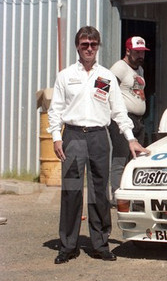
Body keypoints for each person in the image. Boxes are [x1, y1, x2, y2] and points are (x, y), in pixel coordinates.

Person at [47, 26, 150, 264]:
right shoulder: (65, 76)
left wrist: (130, 138)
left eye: (93, 44)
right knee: (71, 191)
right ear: (77, 47)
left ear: (98, 46)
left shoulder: (106, 76)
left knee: (99, 192)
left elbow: (119, 110)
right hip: (72, 136)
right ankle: (68, 246)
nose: (89, 49)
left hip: (98, 137)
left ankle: (100, 244)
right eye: (85, 44)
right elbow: (56, 110)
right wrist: (56, 137)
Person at [108, 36, 149, 206]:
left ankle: (133, 194)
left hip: (138, 120)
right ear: (128, 51)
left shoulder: (139, 71)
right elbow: (106, 89)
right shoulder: (119, 67)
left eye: (142, 52)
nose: (140, 55)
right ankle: (118, 196)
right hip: (123, 118)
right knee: (120, 156)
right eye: (137, 52)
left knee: (135, 158)